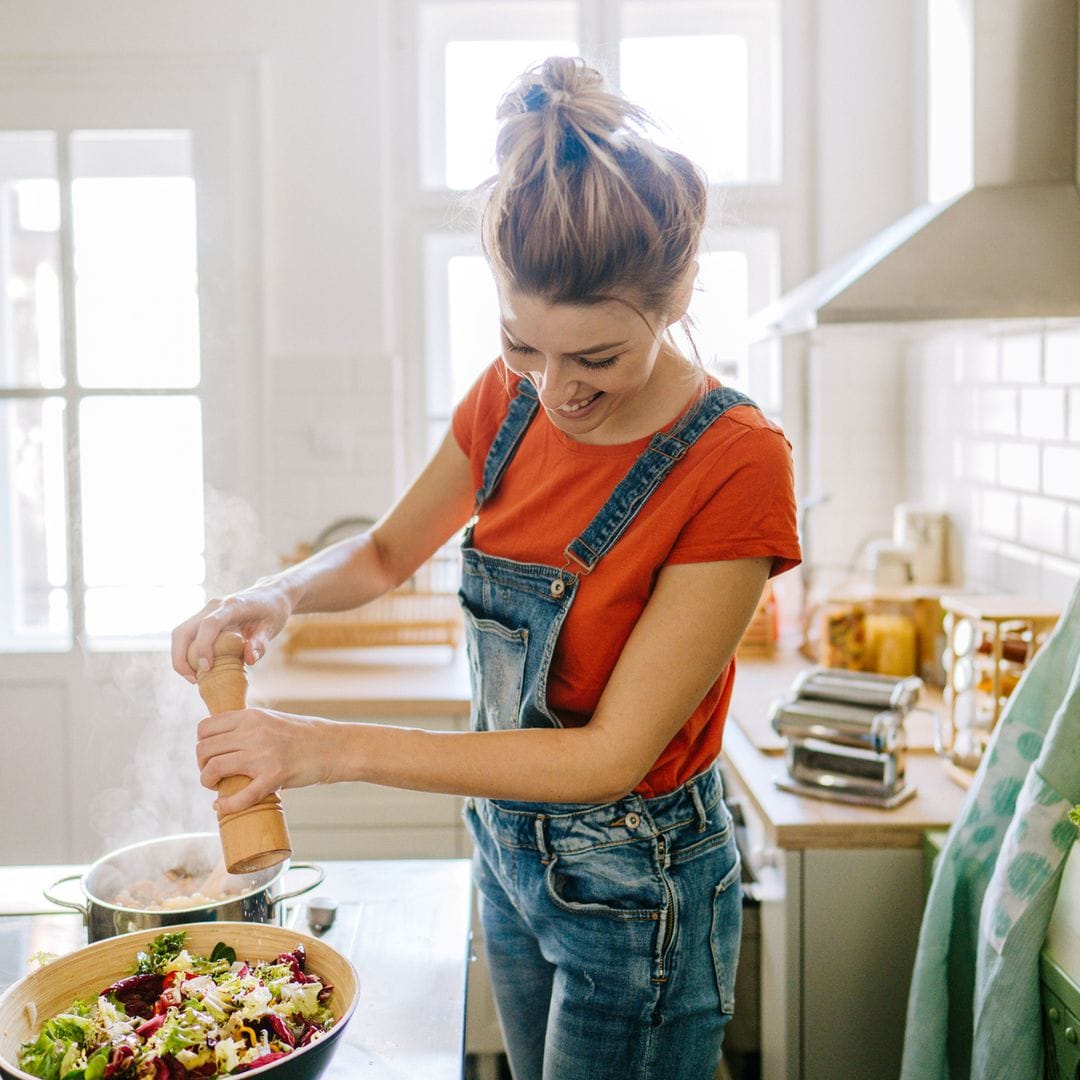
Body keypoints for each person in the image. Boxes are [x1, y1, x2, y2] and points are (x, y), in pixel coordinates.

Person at [173, 56, 800, 1080]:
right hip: (510, 864)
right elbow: (381, 555)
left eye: (596, 358)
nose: (556, 391)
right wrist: (271, 595)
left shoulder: (734, 463)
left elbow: (606, 758)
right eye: (524, 345)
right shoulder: (503, 403)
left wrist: (323, 748)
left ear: (681, 289)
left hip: (638, 893)